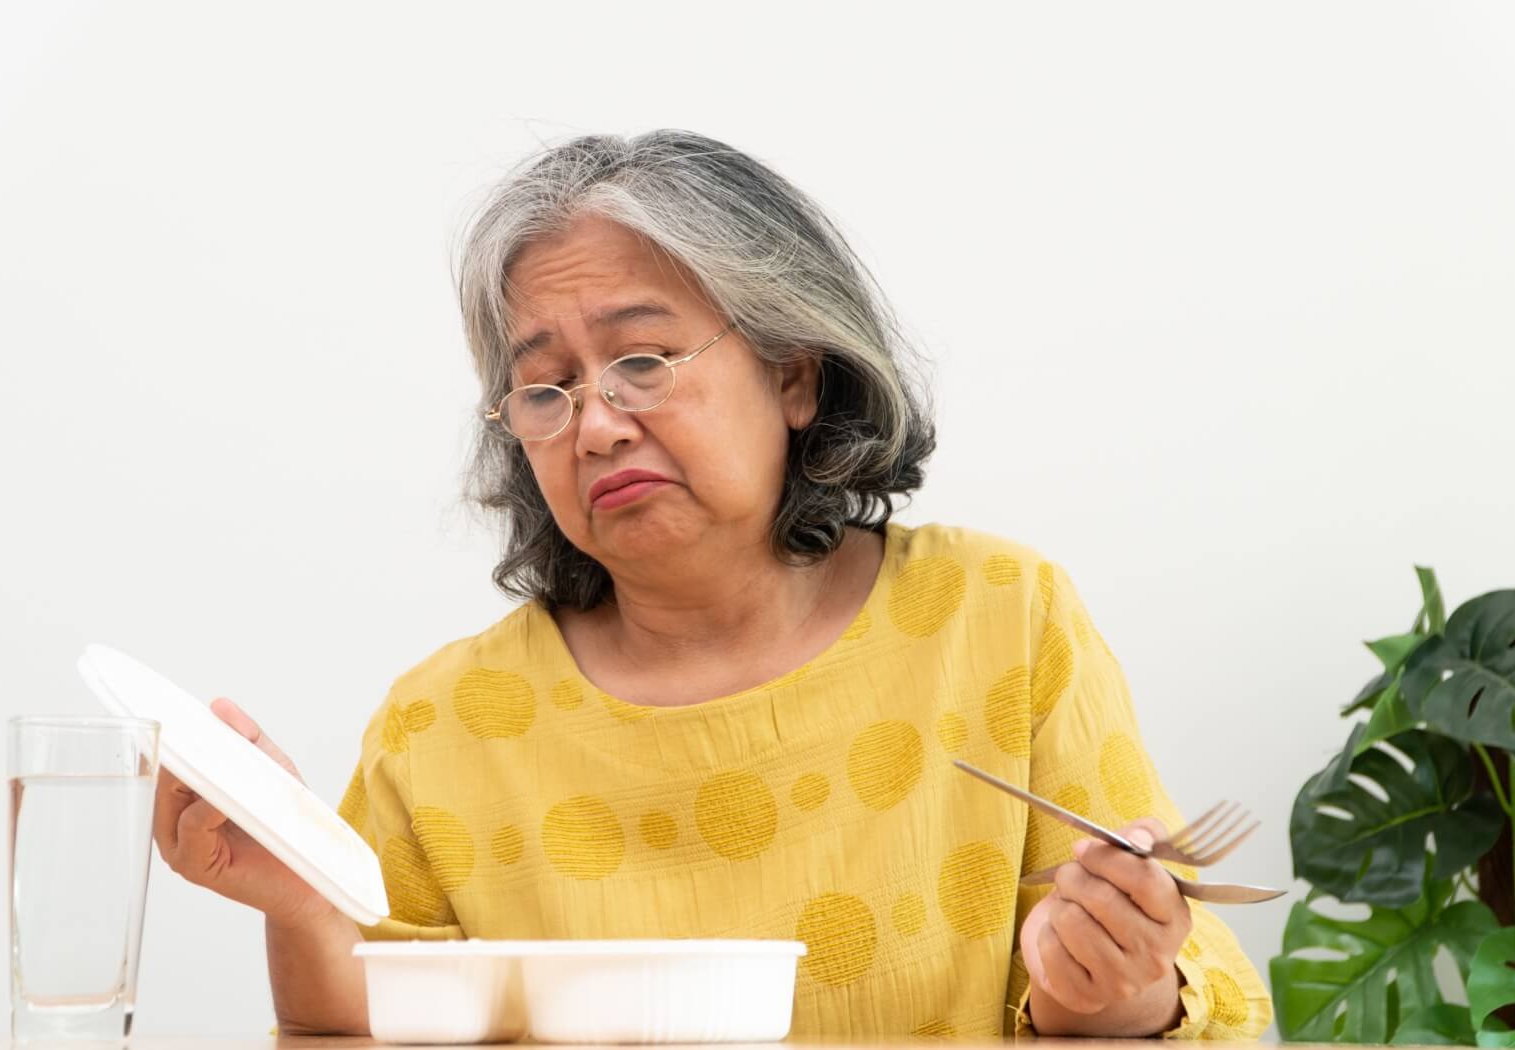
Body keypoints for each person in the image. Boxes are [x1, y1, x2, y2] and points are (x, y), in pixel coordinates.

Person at [153, 130, 1271, 1039]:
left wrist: (1104, 992)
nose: (594, 425)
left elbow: (1183, 1000)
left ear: (794, 373)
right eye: (545, 388)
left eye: (642, 361)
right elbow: (365, 1028)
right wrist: (299, 904)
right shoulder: (441, 725)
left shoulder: (1000, 620)